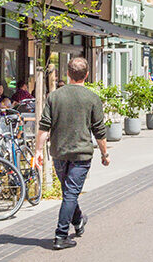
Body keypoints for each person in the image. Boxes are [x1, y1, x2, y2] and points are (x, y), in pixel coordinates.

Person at [35, 57, 110, 251]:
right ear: (86, 75)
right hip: (81, 154)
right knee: (70, 193)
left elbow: (43, 127)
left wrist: (37, 151)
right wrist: (104, 154)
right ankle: (60, 236)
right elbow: (99, 131)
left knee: (69, 192)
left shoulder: (54, 96)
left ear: (67, 74)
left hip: (59, 152)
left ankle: (78, 221)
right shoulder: (92, 98)